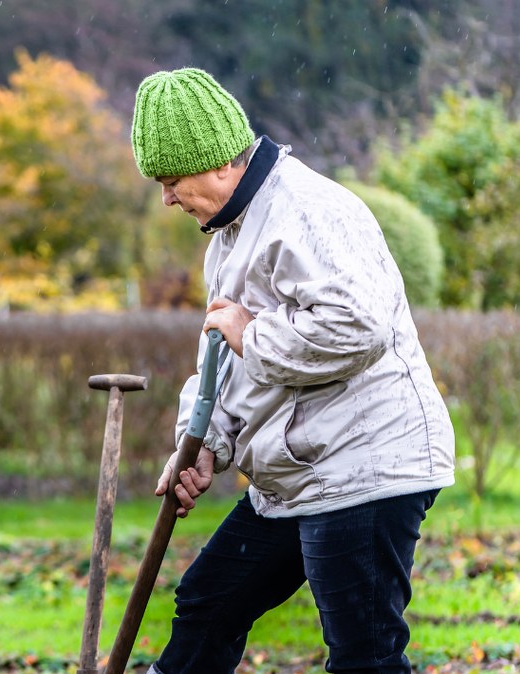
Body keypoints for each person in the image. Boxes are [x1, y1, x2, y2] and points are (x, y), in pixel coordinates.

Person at [130, 68, 456, 673]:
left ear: (219, 164)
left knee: (364, 653)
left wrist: (252, 331)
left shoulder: (309, 212)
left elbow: (359, 327)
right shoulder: (228, 233)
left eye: (172, 181)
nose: (168, 198)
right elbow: (224, 360)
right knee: (209, 604)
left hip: (364, 461)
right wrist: (205, 442)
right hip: (297, 472)